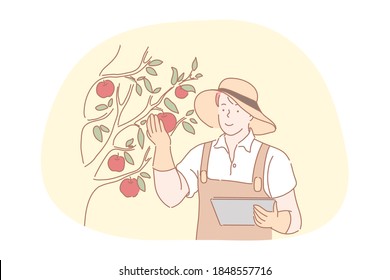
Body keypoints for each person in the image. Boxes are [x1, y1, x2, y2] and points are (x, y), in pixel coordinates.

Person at [146, 78, 301, 240]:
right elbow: (171, 197)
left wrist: (275, 221)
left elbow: (294, 220)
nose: (228, 115)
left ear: (250, 116)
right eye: (223, 107)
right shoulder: (201, 154)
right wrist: (162, 148)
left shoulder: (273, 159)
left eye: (237, 109)